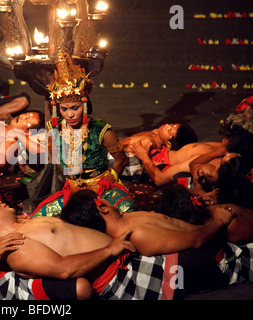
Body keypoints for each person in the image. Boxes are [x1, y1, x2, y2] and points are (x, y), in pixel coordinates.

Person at [0, 197, 252, 299]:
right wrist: (109, 249)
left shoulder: (23, 227)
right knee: (207, 265)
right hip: (123, 278)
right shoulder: (17, 250)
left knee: (205, 256)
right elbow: (65, 269)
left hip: (128, 260)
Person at [28, 51, 135, 217]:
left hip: (103, 190)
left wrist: (107, 181)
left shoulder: (101, 130)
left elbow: (121, 159)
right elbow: (56, 161)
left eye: (74, 108)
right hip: (74, 193)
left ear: (84, 105)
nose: (69, 115)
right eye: (64, 109)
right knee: (38, 218)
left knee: (128, 212)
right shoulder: (53, 129)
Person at [60, 189, 233, 256]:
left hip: (208, 232)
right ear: (102, 208)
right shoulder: (138, 236)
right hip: (219, 249)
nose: (108, 200)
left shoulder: (127, 219)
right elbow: (197, 241)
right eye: (103, 199)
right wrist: (219, 222)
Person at [119, 122, 198, 154]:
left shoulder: (149, 142)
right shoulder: (156, 132)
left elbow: (121, 152)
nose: (166, 125)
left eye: (169, 130)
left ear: (168, 143)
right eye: (171, 124)